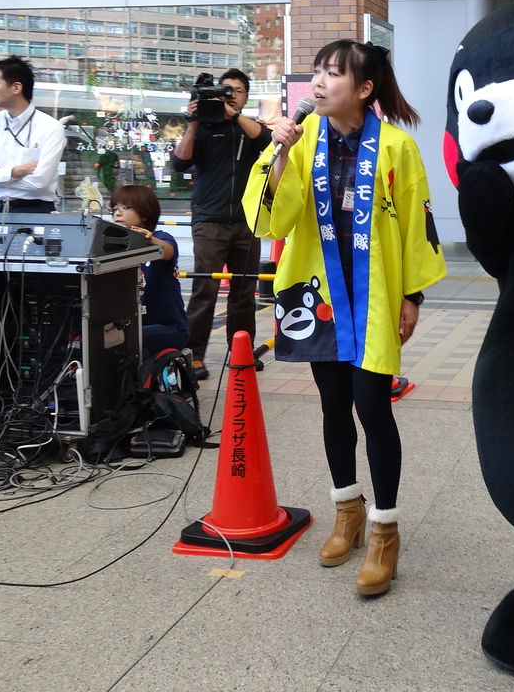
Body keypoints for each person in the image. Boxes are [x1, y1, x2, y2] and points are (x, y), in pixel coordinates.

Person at [243, 40, 446, 597]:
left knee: (373, 408)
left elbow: (414, 225)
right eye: (317, 72)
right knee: (333, 406)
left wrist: (413, 296)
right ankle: (346, 512)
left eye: (334, 73)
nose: (319, 82)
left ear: (363, 88)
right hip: (317, 295)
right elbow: (269, 220)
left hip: (375, 295)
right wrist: (279, 153)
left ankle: (384, 530)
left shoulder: (398, 148)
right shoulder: (299, 139)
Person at [170, 68, 268, 379]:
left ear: (246, 96)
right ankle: (194, 356)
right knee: (204, 290)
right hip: (209, 221)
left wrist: (234, 116)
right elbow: (179, 162)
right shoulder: (202, 127)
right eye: (225, 90)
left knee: (244, 291)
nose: (230, 96)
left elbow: (267, 142)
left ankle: (241, 351)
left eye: (236, 91)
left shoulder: (249, 128)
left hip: (247, 221)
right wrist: (194, 122)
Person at [0, 55, 67, 213]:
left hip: (35, 211)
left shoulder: (51, 127)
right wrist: (14, 172)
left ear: (16, 88)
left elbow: (40, 182)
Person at [109, 185, 188, 357]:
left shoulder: (161, 237)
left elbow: (167, 251)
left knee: (124, 338)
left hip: (170, 329)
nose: (117, 213)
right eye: (114, 209)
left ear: (144, 213)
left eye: (124, 207)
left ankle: (142, 383)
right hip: (133, 325)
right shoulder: (114, 246)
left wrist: (150, 239)